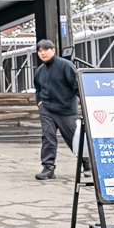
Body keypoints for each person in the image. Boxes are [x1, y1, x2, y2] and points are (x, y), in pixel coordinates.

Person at [33, 39, 80, 181]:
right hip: (47, 109)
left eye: (45, 50)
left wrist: (86, 103)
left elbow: (77, 85)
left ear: (53, 50)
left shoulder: (65, 65)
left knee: (75, 139)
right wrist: (39, 102)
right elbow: (38, 89)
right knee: (48, 136)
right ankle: (48, 167)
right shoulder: (39, 71)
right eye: (40, 51)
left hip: (66, 110)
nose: (42, 53)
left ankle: (86, 162)